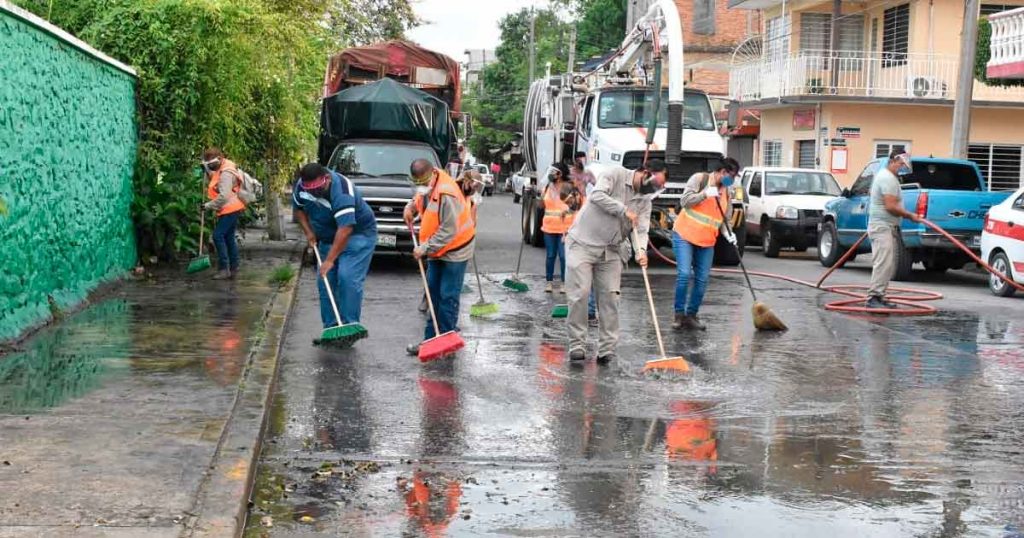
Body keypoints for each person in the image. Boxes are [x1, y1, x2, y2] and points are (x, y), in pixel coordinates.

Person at [563, 160, 667, 364]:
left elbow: (642, 229)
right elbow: (597, 196)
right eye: (656, 183)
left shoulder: (645, 201)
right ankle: (577, 344)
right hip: (582, 243)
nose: (655, 189)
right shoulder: (615, 174)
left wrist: (641, 251)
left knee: (610, 297)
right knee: (580, 294)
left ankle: (606, 349)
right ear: (645, 173)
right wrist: (623, 210)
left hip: (612, 249)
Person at [292, 163, 377, 335]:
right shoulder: (302, 185)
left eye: (316, 189)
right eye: (309, 190)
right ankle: (331, 328)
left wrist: (330, 260)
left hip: (357, 235)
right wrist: (309, 232)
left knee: (347, 277)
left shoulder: (342, 190)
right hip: (327, 236)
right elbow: (298, 209)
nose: (312, 193)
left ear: (327, 179)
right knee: (325, 280)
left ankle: (349, 325)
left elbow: (345, 229)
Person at [403, 159, 476, 355]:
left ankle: (447, 339)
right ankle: (430, 340)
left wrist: (424, 248)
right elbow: (421, 199)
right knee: (433, 292)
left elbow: (448, 230)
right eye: (417, 183)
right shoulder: (427, 185)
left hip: (456, 247)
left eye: (422, 182)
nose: (420, 187)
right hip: (436, 249)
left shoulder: (447, 192)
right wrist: (410, 207)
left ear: (432, 174)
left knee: (448, 295)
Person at [671, 158, 740, 331]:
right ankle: (679, 316)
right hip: (684, 235)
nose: (731, 180)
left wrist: (728, 234)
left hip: (707, 241)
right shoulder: (699, 179)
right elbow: (684, 201)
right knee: (685, 274)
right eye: (730, 176)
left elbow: (725, 218)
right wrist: (704, 194)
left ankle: (691, 316)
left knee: (702, 280)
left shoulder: (727, 192)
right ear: (721, 172)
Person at [866, 152, 920, 309]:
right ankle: (874, 297)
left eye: (904, 165)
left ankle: (880, 295)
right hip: (882, 226)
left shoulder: (889, 177)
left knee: (887, 263)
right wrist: (909, 215)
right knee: (883, 262)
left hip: (885, 226)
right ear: (893, 161)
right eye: (901, 164)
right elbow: (890, 206)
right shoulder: (887, 178)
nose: (902, 167)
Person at [202, 148, 246, 280]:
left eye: (211, 164)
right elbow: (216, 178)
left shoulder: (226, 173)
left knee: (218, 236)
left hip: (230, 208)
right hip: (231, 208)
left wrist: (207, 206)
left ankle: (224, 268)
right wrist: (207, 169)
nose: (211, 167)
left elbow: (224, 196)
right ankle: (234, 266)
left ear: (219, 159)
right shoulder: (224, 166)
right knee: (228, 237)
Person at [569, 152, 599, 323]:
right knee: (579, 277)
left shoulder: (592, 195)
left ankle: (590, 310)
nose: (573, 180)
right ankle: (584, 309)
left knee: (590, 278)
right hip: (577, 238)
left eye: (575, 177)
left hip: (591, 239)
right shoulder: (574, 195)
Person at [540, 163, 579, 294]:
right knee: (550, 255)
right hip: (549, 227)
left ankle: (564, 282)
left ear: (560, 174)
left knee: (563, 256)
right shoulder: (547, 187)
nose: (551, 175)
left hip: (565, 228)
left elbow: (576, 206)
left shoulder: (569, 187)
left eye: (554, 172)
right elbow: (542, 204)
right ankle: (549, 282)